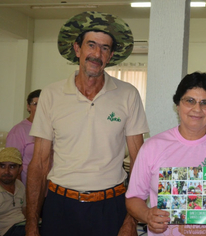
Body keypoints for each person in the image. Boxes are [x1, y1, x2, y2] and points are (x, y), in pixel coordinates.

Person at [25, 11, 149, 236]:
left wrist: (131, 219)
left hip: (110, 207)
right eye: (91, 45)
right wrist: (32, 223)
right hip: (60, 206)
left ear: (110, 56)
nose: (96, 53)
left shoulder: (128, 95)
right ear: (77, 49)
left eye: (104, 48)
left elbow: (140, 161)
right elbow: (39, 165)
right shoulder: (51, 95)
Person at [126, 72, 206, 236]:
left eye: (205, 103)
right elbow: (133, 198)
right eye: (190, 101)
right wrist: (147, 215)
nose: (197, 109)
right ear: (177, 104)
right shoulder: (153, 147)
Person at [6, 89, 41, 187]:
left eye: (43, 104)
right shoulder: (19, 130)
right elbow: (12, 162)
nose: (40, 108)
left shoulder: (51, 128)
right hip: (27, 185)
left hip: (47, 187)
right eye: (35, 104)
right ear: (28, 107)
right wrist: (20, 190)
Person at [0, 147, 26, 236]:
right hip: (7, 231)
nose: (6, 171)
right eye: (2, 166)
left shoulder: (20, 185)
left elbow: (25, 210)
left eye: (12, 166)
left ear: (20, 169)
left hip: (23, 224)